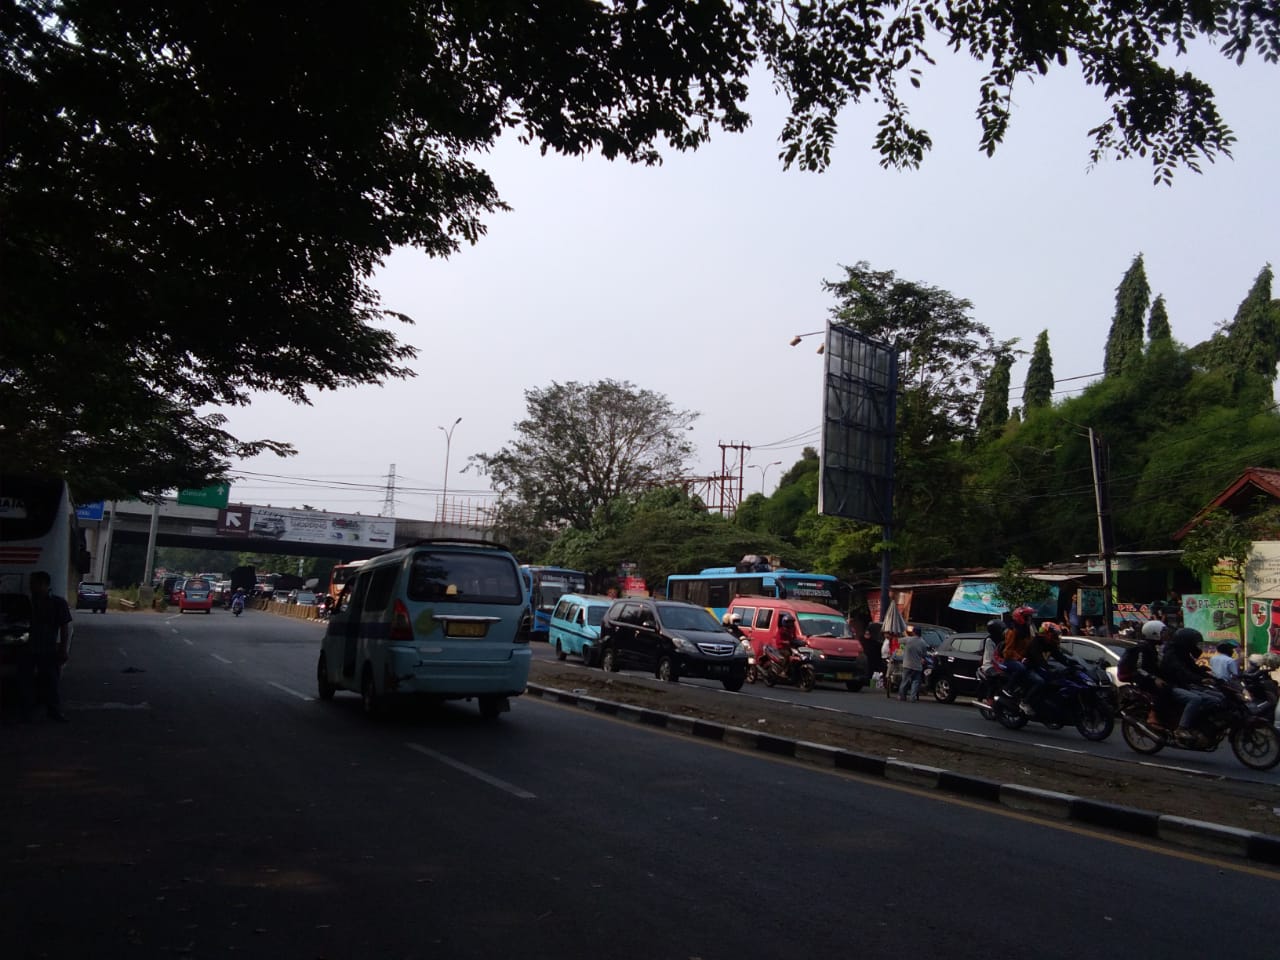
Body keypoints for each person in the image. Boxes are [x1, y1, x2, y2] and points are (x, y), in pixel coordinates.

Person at [17, 570, 73, 722]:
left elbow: (64, 627)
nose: (31, 587)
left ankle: (53, 710)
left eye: (34, 584)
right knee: (26, 681)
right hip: (28, 647)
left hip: (48, 647)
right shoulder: (28, 602)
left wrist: (63, 648)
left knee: (50, 681)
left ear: (44, 584)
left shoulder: (57, 603)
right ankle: (27, 711)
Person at [1159, 626, 1225, 746]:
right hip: (1171, 686)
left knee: (1215, 699)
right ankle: (1181, 728)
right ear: (1185, 643)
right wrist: (1201, 680)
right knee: (1195, 699)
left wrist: (1213, 678)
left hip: (1184, 685)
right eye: (1193, 643)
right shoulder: (1171, 656)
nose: (1195, 646)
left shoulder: (1183, 654)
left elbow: (1194, 668)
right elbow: (1183, 672)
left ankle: (1198, 724)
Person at [1118, 619, 1171, 727]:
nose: (1165, 635)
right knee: (1164, 690)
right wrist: (1154, 678)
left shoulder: (1154, 647)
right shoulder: (1142, 648)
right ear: (1154, 633)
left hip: (1147, 676)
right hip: (1138, 677)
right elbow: (1139, 668)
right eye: (1162, 633)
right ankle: (1153, 716)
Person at [1021, 621, 1072, 714]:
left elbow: (1058, 656)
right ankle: (1025, 702)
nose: (1055, 637)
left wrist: (1070, 663)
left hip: (1039, 667)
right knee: (1040, 682)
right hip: (1029, 667)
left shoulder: (1049, 643)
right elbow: (1038, 659)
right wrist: (1048, 668)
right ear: (1047, 633)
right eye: (1054, 635)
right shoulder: (1035, 642)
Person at [974, 618, 1006, 705]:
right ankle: (990, 697)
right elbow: (992, 656)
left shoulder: (1004, 639)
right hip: (989, 664)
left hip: (1001, 663)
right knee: (995, 677)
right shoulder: (989, 640)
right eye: (1001, 629)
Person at [898, 625, 927, 702]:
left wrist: (904, 634)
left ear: (913, 632)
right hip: (917, 666)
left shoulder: (908, 639)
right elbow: (924, 654)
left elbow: (899, 640)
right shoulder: (923, 642)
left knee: (905, 681)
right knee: (915, 682)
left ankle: (902, 696)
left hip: (907, 664)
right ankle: (912, 697)